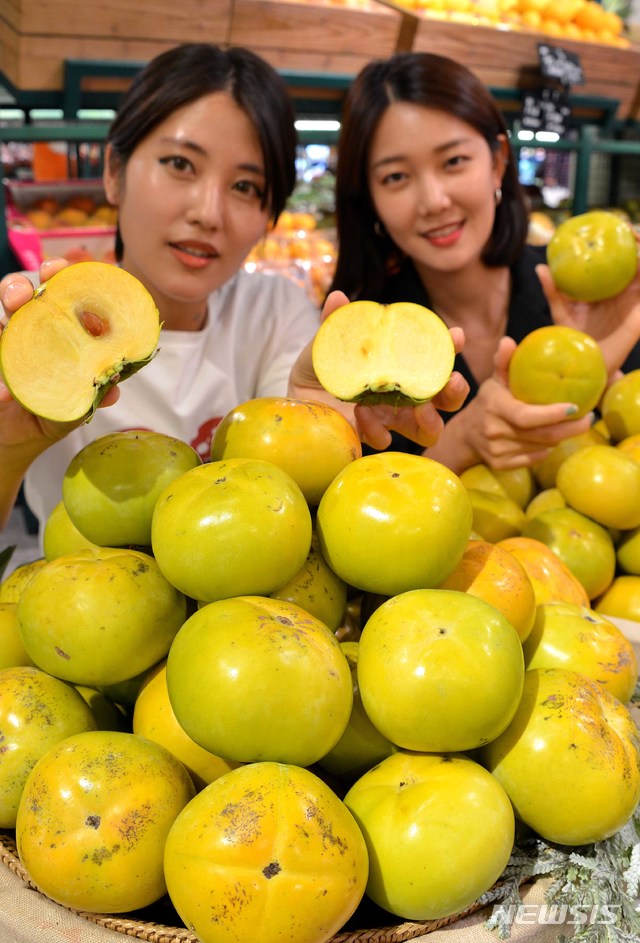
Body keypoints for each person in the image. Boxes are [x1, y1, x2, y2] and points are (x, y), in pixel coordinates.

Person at [0, 43, 468, 540]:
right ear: (114, 173)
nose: (208, 212)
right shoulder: (22, 327)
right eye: (180, 164)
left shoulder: (275, 310)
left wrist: (316, 424)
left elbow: (275, 527)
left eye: (245, 187)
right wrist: (10, 445)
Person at [320, 51, 640, 473]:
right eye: (396, 177)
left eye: (453, 161)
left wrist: (597, 380)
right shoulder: (361, 347)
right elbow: (371, 503)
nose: (434, 201)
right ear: (370, 198)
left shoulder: (586, 296)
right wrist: (464, 438)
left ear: (498, 162)